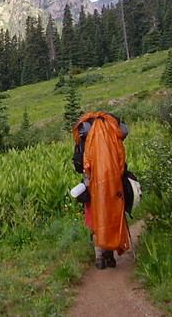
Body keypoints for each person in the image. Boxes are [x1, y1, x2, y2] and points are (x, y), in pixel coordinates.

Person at [72, 111, 131, 269]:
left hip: (92, 184)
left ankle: (99, 258)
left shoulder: (84, 135)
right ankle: (110, 255)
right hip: (114, 184)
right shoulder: (113, 130)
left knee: (95, 219)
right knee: (112, 215)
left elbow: (78, 164)